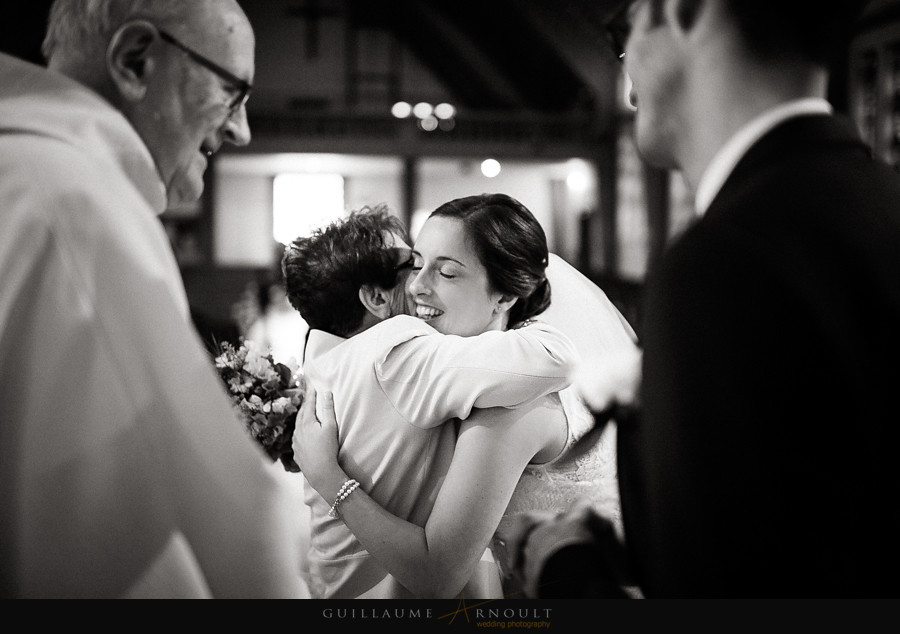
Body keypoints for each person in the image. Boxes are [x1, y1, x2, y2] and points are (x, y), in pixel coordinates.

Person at [511, 0, 900, 598]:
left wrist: (564, 566)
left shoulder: (728, 260)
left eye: (626, 28)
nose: (626, 67)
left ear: (684, 10)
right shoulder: (877, 203)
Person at [0, 0, 309, 598]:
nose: (242, 128)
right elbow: (162, 538)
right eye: (231, 90)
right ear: (136, 60)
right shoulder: (71, 204)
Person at [293, 194, 639, 599]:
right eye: (418, 264)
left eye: (448, 273)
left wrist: (329, 478)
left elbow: (435, 574)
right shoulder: (484, 376)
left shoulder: (506, 408)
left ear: (505, 296)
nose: (418, 286)